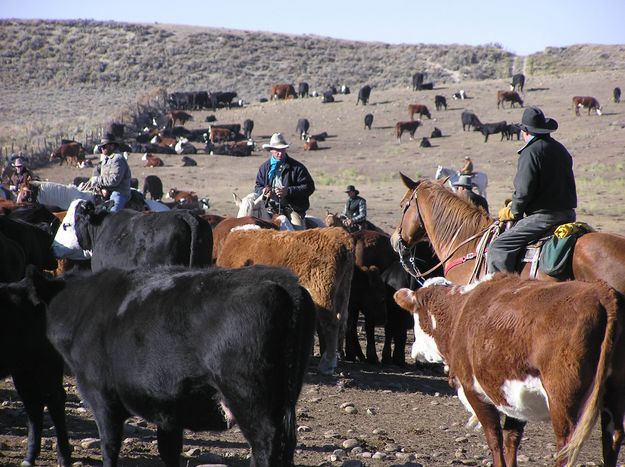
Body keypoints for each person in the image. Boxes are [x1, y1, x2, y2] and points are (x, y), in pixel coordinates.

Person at [487, 106, 577, 274]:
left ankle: (500, 292)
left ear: (526, 132)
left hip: (544, 218)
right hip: (569, 214)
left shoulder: (530, 152)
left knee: (499, 246)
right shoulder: (560, 149)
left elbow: (523, 191)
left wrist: (514, 211)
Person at [254, 132, 315, 229]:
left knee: (299, 230)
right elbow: (258, 187)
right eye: (277, 150)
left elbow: (309, 187)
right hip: (268, 208)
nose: (280, 153)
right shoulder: (264, 168)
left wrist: (288, 191)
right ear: (271, 150)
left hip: (292, 209)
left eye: (282, 149)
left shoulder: (297, 168)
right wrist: (264, 192)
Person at [92, 135, 132, 212]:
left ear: (112, 146)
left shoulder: (117, 159)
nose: (102, 148)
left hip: (118, 192)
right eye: (101, 147)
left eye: (104, 146)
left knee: (113, 214)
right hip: (106, 191)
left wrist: (97, 180)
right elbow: (98, 172)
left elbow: (114, 180)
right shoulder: (105, 160)